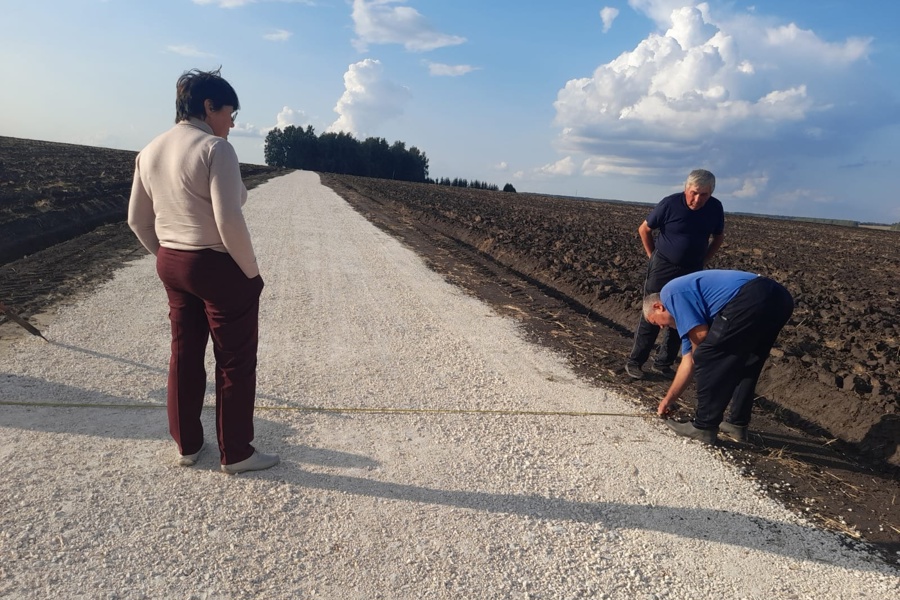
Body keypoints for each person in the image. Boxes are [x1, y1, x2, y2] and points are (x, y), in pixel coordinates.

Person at [128, 68, 279, 474]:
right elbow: (229, 219)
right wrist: (251, 273)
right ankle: (237, 452)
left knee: (184, 352)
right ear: (209, 106)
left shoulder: (150, 150)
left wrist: (166, 255)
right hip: (214, 263)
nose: (233, 122)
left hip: (172, 261)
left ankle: (187, 445)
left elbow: (136, 221)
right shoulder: (216, 149)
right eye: (230, 112)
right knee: (234, 360)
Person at [643, 270, 794, 444]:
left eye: (656, 322)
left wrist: (703, 360)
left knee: (707, 355)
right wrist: (669, 400)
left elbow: (700, 342)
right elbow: (688, 361)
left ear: (658, 307)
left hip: (750, 296)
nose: (661, 328)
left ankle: (704, 426)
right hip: (780, 298)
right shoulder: (690, 315)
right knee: (747, 361)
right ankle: (737, 424)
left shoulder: (670, 293)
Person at [625, 169, 725, 380]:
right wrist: (653, 257)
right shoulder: (670, 204)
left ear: (711, 193)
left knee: (682, 315)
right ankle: (636, 361)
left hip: (692, 271)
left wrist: (704, 260)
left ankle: (663, 362)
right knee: (653, 312)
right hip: (663, 266)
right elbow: (644, 229)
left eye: (704, 195)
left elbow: (718, 237)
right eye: (694, 192)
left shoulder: (715, 208)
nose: (697, 199)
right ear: (686, 188)